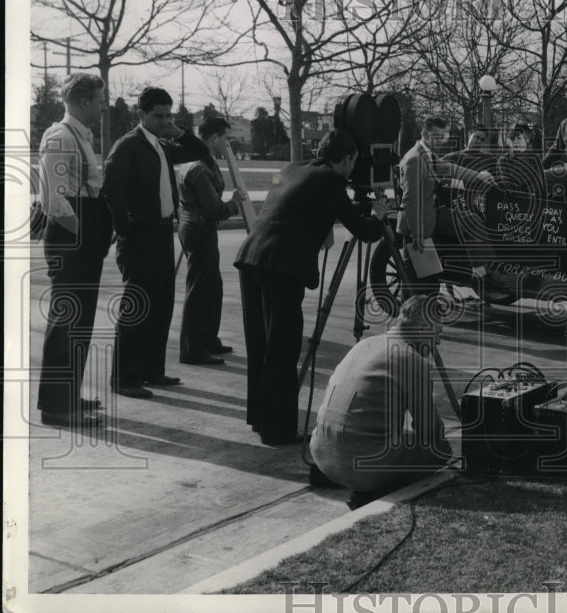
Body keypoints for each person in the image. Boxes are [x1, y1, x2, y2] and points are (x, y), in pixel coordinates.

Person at [235, 130, 386, 446]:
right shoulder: (331, 180)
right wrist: (379, 216)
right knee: (283, 347)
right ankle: (279, 431)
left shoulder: (293, 169)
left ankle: (262, 419)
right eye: (351, 165)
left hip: (251, 257)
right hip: (281, 267)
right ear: (345, 160)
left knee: (260, 345)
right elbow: (363, 230)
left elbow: (305, 208)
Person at [101, 87, 210, 399]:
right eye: (157, 116)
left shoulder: (162, 144)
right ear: (142, 115)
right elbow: (112, 192)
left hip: (163, 233)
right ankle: (124, 377)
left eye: (167, 116)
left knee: (161, 305)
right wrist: (126, 232)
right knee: (138, 307)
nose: (164, 121)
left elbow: (199, 152)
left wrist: (178, 131)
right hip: (139, 236)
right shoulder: (128, 147)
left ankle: (151, 370)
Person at [308, 294, 453, 504]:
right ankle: (373, 491)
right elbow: (430, 431)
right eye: (437, 333)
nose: (437, 341)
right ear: (422, 327)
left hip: (321, 454)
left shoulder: (365, 344)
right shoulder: (414, 361)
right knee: (441, 451)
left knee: (394, 435)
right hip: (364, 467)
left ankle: (341, 472)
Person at [36, 73, 114, 429]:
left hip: (82, 232)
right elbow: (56, 201)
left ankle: (69, 394)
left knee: (79, 322)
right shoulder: (59, 137)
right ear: (83, 102)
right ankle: (56, 406)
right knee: (67, 320)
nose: (102, 106)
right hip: (71, 236)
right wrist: (86, 236)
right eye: (99, 100)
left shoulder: (80, 135)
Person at [175, 117, 247, 366]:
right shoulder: (198, 167)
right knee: (200, 290)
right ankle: (193, 348)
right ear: (214, 138)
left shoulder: (201, 162)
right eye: (225, 138)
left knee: (212, 286)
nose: (227, 144)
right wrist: (235, 203)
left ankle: (207, 339)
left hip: (199, 228)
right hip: (199, 229)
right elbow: (214, 209)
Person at [397, 116, 496, 282]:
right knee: (420, 284)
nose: (441, 140)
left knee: (470, 219)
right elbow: (410, 202)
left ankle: (481, 270)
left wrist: (478, 176)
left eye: (443, 136)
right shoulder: (415, 159)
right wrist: (419, 236)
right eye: (437, 136)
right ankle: (480, 272)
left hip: (431, 214)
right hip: (420, 226)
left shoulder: (426, 154)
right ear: (425, 134)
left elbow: (450, 168)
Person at [496, 123, 544, 195]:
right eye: (513, 139)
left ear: (527, 139)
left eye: (519, 138)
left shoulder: (535, 158)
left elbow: (538, 182)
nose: (515, 142)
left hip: (532, 199)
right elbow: (505, 183)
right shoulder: (504, 160)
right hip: (510, 199)